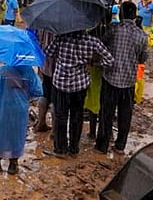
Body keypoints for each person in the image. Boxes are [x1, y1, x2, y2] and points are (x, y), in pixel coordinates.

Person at [44, 29, 113, 157]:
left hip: (61, 84)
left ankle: (60, 149)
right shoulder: (92, 41)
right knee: (77, 116)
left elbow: (48, 53)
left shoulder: (60, 38)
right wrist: (94, 62)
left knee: (61, 117)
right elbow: (109, 60)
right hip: (80, 85)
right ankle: (74, 149)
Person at [96, 2, 149, 154]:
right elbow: (142, 58)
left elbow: (101, 45)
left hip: (110, 77)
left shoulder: (113, 30)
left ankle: (102, 146)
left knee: (106, 114)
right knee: (125, 116)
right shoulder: (141, 36)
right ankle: (120, 146)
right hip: (129, 81)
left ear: (122, 14)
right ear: (134, 16)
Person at [0, 63, 42, 174]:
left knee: (0, 133)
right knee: (17, 134)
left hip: (2, 107)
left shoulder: (1, 70)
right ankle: (13, 163)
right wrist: (26, 94)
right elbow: (38, 91)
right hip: (20, 108)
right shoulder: (29, 71)